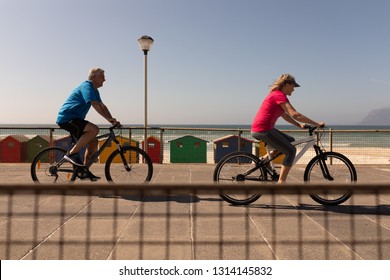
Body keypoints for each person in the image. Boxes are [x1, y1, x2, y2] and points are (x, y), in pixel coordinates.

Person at [251, 74, 325, 183]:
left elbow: (285, 115)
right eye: (293, 86)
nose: (294, 89)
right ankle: (281, 182)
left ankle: (265, 159)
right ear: (286, 84)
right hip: (263, 130)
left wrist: (299, 125)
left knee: (290, 141)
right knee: (291, 150)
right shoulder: (278, 95)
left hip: (265, 128)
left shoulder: (277, 96)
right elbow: (295, 114)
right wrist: (316, 123)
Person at [56, 67, 119, 180]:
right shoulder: (87, 87)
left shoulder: (95, 90)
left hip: (75, 119)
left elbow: (102, 106)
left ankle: (83, 171)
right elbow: (95, 104)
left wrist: (111, 118)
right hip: (67, 118)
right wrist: (109, 120)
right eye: (102, 77)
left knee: (93, 142)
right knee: (94, 129)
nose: (104, 80)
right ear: (93, 76)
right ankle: (71, 154)